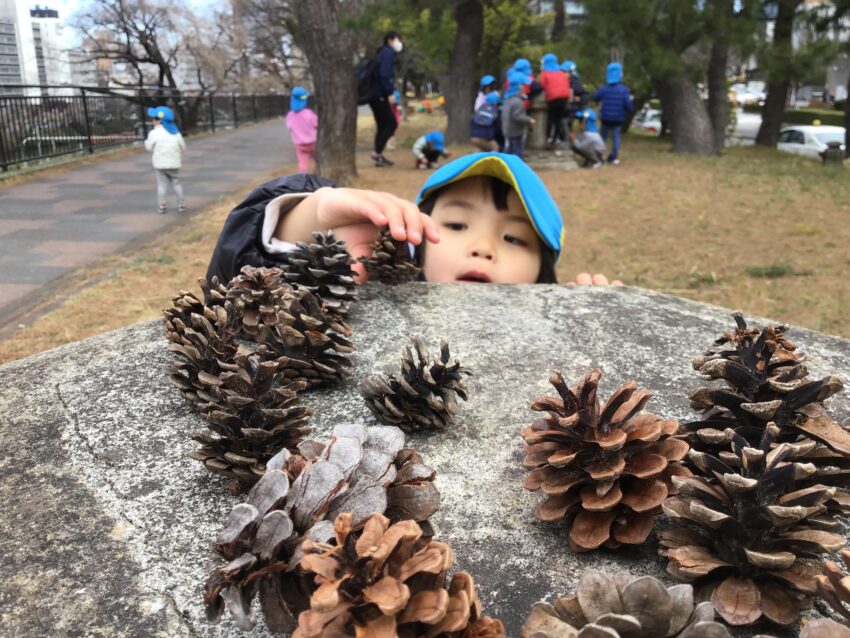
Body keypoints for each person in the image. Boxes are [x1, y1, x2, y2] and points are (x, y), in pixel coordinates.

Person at [205, 152, 622, 287]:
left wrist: (580, 320)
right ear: (417, 239)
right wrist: (314, 213)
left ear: (543, 272)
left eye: (514, 239)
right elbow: (241, 278)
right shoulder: (372, 294)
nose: (482, 247)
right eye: (456, 226)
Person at [368, 32, 403, 167]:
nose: (399, 43)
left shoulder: (380, 53)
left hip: (374, 95)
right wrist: (389, 92)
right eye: (397, 39)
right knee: (391, 124)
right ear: (390, 40)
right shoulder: (387, 53)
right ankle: (376, 153)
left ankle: (378, 155)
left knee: (382, 125)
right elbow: (385, 74)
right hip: (380, 95)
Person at [144, 105, 186, 214]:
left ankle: (162, 206)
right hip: (174, 163)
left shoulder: (154, 133)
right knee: (176, 183)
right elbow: (183, 147)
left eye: (154, 119)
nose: (153, 121)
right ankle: (181, 205)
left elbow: (148, 147)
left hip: (160, 165)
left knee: (162, 184)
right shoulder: (176, 133)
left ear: (159, 121)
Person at [593, 62, 633, 165]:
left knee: (602, 137)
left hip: (605, 117)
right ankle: (613, 157)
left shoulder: (604, 89)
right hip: (618, 118)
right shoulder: (624, 90)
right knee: (616, 138)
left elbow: (596, 97)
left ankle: (599, 155)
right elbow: (628, 105)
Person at [538, 53, 571, 146]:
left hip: (553, 98)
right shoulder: (561, 72)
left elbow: (542, 85)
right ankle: (557, 138)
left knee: (551, 118)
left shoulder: (545, 73)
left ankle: (548, 136)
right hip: (564, 97)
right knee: (559, 119)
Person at [502, 70, 536, 159]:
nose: (525, 88)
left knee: (509, 151)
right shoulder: (517, 102)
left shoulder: (508, 100)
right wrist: (529, 120)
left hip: (508, 131)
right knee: (517, 153)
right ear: (519, 87)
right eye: (523, 86)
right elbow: (517, 116)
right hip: (515, 132)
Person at [285, 87, 318, 173]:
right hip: (312, 143)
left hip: (299, 144)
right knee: (317, 159)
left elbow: (289, 127)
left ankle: (302, 178)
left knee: (302, 163)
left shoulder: (290, 115)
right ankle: (317, 173)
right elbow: (316, 124)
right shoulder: (309, 114)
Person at [562, 61, 588, 136]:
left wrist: (579, 99)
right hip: (568, 108)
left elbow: (584, 95)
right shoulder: (563, 79)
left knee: (567, 124)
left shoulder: (574, 81)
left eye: (564, 71)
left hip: (572, 108)